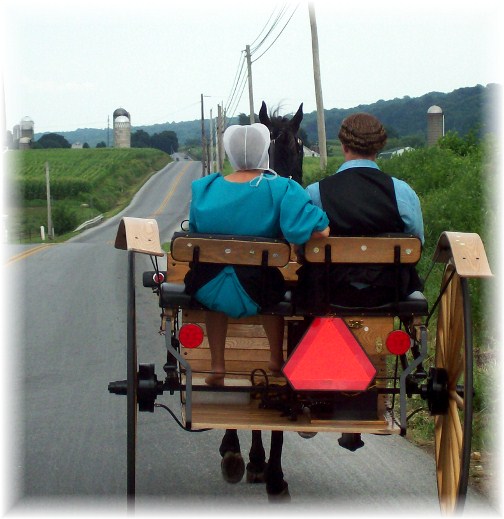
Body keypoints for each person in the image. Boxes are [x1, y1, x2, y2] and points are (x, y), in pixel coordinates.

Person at [184, 123, 329, 385]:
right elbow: (313, 231)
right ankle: (275, 358)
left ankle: (217, 365)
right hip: (259, 290)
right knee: (269, 281)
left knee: (214, 278)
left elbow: (195, 231)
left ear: (230, 152)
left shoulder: (204, 188)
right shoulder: (282, 188)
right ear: (265, 150)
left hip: (206, 286)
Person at [297, 112, 424, 309]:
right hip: (390, 290)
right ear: (378, 147)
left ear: (344, 145)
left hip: (328, 289)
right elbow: (417, 243)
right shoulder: (402, 192)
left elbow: (301, 246)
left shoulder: (315, 193)